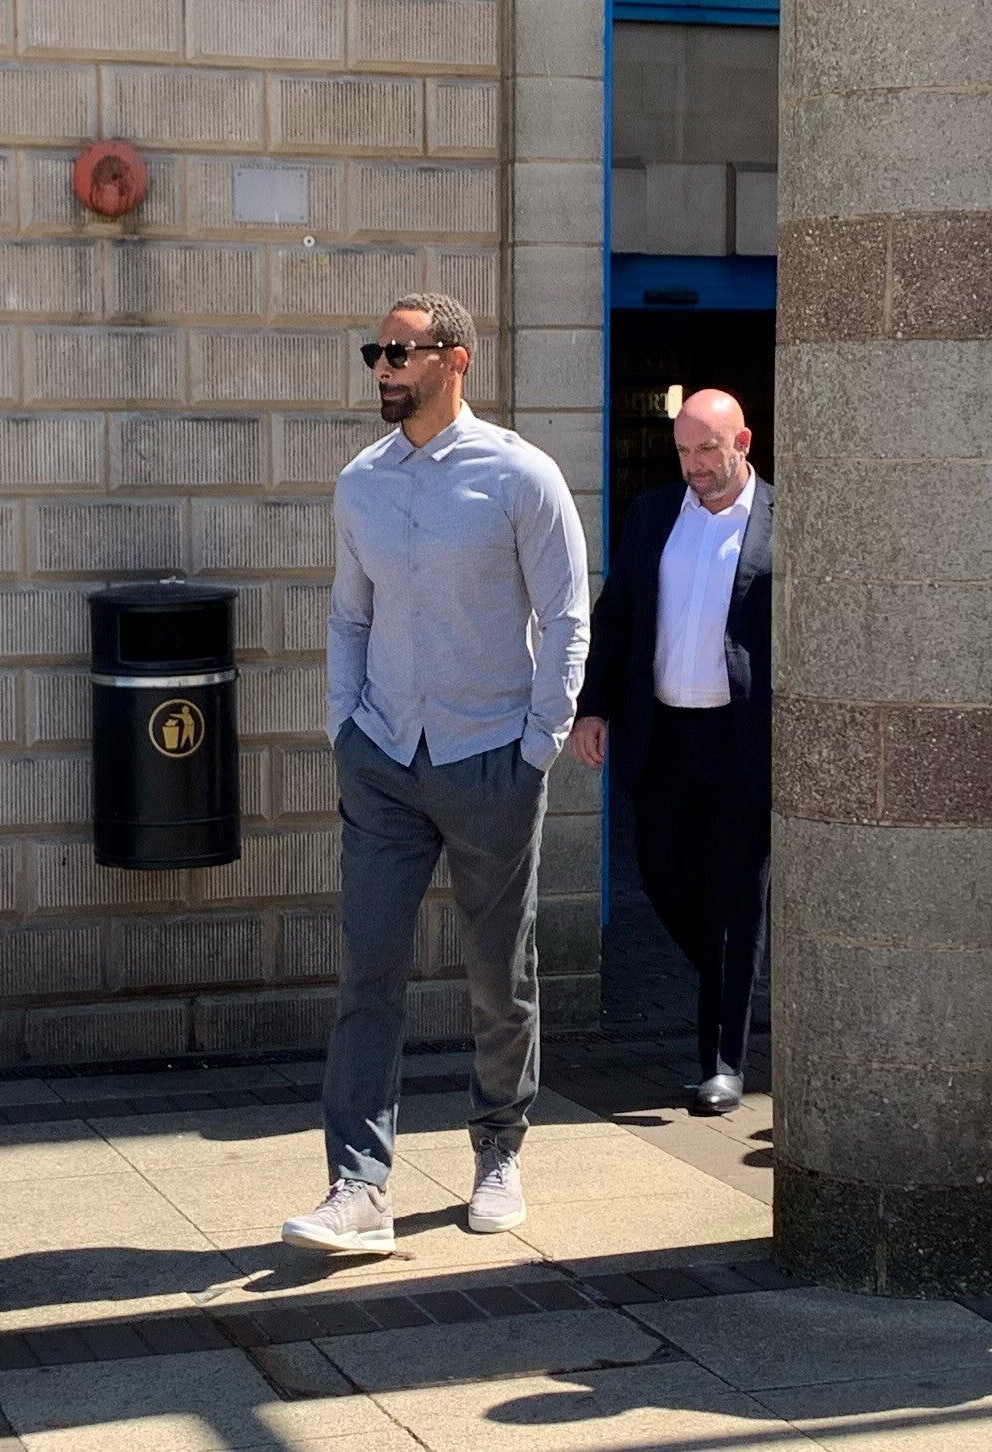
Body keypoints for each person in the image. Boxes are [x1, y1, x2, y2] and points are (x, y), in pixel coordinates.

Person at [282, 291, 590, 1253]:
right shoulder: (361, 482)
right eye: (376, 350)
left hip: (489, 756)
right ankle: (357, 1185)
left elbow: (569, 616)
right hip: (383, 760)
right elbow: (349, 616)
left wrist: (539, 742)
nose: (383, 367)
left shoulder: (520, 476)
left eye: (402, 352)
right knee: (367, 973)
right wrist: (343, 726)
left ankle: (498, 1148)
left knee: (499, 976)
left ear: (456, 359)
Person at [569, 391, 772, 1115]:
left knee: (737, 897)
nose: (695, 467)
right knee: (661, 877)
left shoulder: (787, 523)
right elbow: (616, 615)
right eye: (684, 453)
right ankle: (732, 980)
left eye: (708, 451)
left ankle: (723, 1060)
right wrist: (592, 707)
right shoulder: (654, 515)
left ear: (742, 441)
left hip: (741, 740)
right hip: (663, 733)